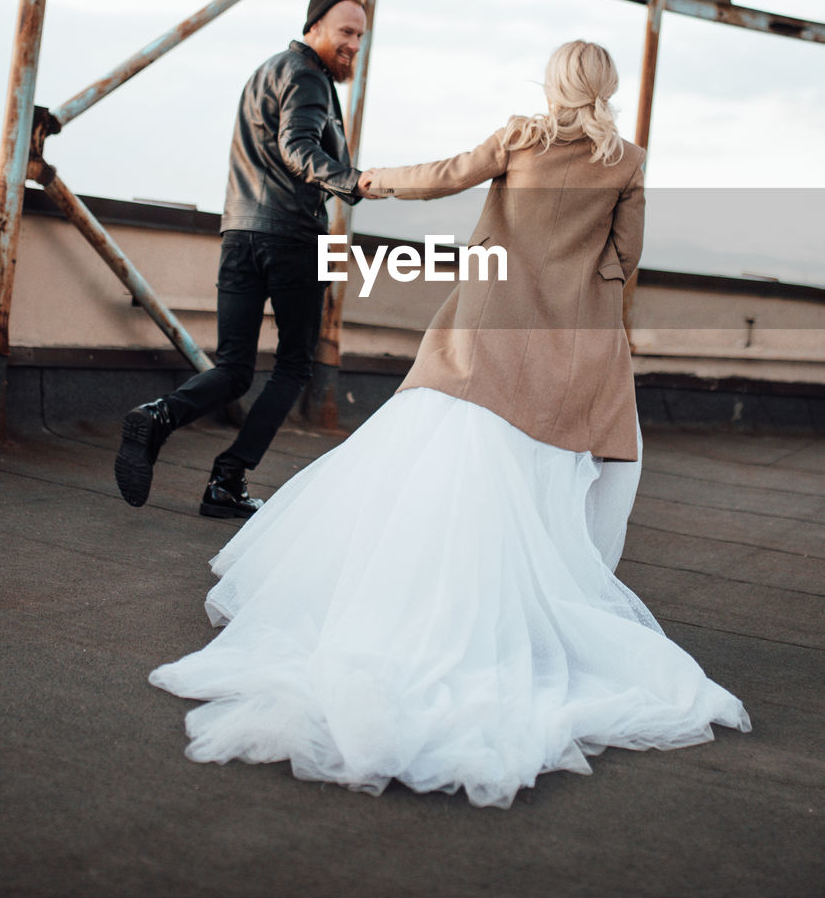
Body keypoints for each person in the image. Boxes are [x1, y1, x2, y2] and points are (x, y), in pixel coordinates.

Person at [149, 40, 751, 808]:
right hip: (567, 346)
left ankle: (433, 610)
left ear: (554, 82)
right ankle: (539, 616)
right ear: (606, 89)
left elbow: (441, 179)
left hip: (487, 337)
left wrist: (365, 181)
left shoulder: (519, 136)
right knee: (554, 476)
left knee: (451, 468)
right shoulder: (626, 159)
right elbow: (622, 258)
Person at [114, 0, 373, 519]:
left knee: (234, 367)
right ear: (316, 26)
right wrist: (354, 180)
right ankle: (227, 481)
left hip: (239, 232)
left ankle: (159, 416)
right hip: (293, 236)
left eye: (360, 36)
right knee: (296, 366)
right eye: (345, 32)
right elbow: (297, 147)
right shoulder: (307, 77)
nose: (353, 45)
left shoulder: (265, 71)